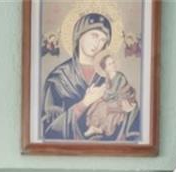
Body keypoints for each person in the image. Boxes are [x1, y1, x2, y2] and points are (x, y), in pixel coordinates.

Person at [41, 12, 141, 142]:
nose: (98, 43)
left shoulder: (112, 75)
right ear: (79, 34)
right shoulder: (58, 79)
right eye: (94, 36)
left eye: (103, 40)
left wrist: (128, 107)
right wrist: (84, 103)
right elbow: (49, 130)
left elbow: (133, 117)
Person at [83, 53, 138, 140]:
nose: (113, 65)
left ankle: (101, 129)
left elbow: (113, 92)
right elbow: (106, 88)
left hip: (122, 100)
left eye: (113, 62)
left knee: (105, 107)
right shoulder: (107, 77)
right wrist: (97, 90)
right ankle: (94, 126)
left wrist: (103, 92)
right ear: (105, 68)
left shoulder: (120, 76)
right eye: (109, 64)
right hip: (111, 99)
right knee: (97, 105)